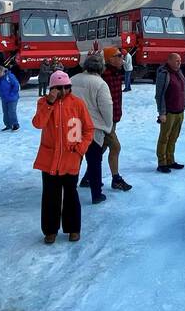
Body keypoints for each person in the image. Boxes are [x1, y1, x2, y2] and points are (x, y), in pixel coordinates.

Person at [33, 70, 94, 244]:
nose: (63, 91)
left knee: (71, 195)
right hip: (49, 159)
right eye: (58, 88)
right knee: (50, 196)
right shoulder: (43, 103)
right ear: (52, 88)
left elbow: (88, 129)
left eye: (66, 87)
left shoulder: (78, 104)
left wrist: (80, 148)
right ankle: (50, 230)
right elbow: (38, 123)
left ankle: (73, 228)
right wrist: (49, 103)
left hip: (71, 157)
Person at [73, 53, 114, 205]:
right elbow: (106, 107)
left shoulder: (73, 79)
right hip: (93, 128)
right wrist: (108, 126)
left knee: (75, 159)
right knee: (95, 161)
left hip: (74, 126)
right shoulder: (100, 84)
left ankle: (71, 189)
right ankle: (96, 193)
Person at [100, 47, 132, 191]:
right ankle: (116, 179)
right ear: (109, 59)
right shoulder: (104, 75)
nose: (121, 57)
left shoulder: (117, 73)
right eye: (118, 55)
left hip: (113, 118)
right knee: (115, 147)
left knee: (101, 148)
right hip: (105, 120)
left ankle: (88, 176)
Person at [154, 53, 185, 173]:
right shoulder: (164, 73)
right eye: (177, 60)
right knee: (164, 138)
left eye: (180, 60)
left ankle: (170, 160)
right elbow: (159, 95)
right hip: (168, 112)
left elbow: (184, 88)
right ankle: (162, 162)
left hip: (179, 111)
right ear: (169, 61)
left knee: (174, 137)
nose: (179, 62)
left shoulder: (179, 72)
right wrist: (162, 112)